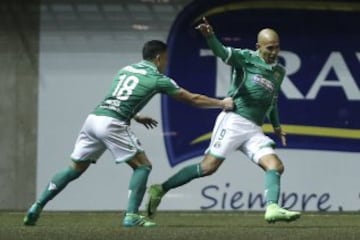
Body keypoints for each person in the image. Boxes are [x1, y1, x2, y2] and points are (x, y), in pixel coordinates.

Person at [23, 40, 234, 227]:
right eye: (166, 59)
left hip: (94, 119)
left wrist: (136, 115)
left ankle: (37, 206)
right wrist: (221, 103)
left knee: (74, 169)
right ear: (159, 57)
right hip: (112, 124)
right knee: (143, 166)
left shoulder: (125, 70)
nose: (167, 63)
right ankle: (131, 216)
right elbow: (192, 99)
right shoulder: (158, 78)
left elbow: (117, 98)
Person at [146, 17, 301, 223]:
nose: (274, 52)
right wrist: (210, 36)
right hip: (234, 121)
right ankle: (160, 189)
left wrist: (277, 127)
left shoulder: (279, 72)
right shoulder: (245, 58)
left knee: (275, 166)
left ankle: (272, 208)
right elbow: (221, 52)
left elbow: (272, 102)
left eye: (277, 48)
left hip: (254, 129)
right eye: (269, 48)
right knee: (208, 168)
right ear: (258, 47)